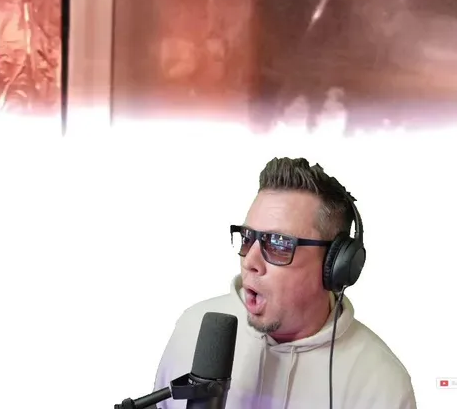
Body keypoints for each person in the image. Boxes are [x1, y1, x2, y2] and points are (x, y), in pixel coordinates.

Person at [153, 157, 415, 408]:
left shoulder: (382, 384)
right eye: (247, 237)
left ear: (334, 266)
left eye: (279, 243)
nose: (250, 261)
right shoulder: (192, 329)